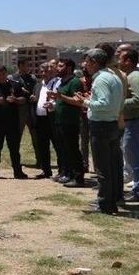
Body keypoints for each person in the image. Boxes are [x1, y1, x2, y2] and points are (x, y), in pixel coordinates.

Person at [78, 48, 123, 214]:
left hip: (102, 126)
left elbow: (103, 104)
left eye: (87, 61)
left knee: (103, 168)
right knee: (110, 166)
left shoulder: (102, 79)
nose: (85, 65)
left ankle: (105, 204)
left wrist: (85, 102)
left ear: (94, 62)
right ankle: (111, 201)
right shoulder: (112, 76)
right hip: (111, 124)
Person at [48, 59, 86, 187]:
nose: (57, 69)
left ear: (69, 68)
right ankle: (66, 173)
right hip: (60, 120)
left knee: (72, 149)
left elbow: (77, 101)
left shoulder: (75, 82)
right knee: (63, 149)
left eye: (60, 66)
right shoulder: (63, 82)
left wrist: (60, 96)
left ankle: (78, 177)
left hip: (70, 121)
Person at [118, 49, 139, 201]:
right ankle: (138, 189)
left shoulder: (135, 77)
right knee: (133, 158)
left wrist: (118, 103)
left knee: (136, 159)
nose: (118, 61)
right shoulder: (129, 76)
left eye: (120, 59)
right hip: (132, 122)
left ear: (128, 61)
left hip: (135, 122)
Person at [30, 62, 57, 179]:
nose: (43, 73)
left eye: (46, 71)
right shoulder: (38, 85)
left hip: (51, 119)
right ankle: (46, 170)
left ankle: (62, 170)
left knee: (57, 145)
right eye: (41, 71)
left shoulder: (56, 83)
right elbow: (36, 99)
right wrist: (33, 99)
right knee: (42, 146)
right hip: (39, 120)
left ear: (51, 71)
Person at [13, 58, 39, 166]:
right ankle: (16, 161)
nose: (28, 67)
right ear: (20, 66)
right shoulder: (13, 78)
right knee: (16, 136)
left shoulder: (32, 78)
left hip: (31, 109)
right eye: (26, 65)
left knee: (36, 136)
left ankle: (40, 160)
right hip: (19, 111)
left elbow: (36, 89)